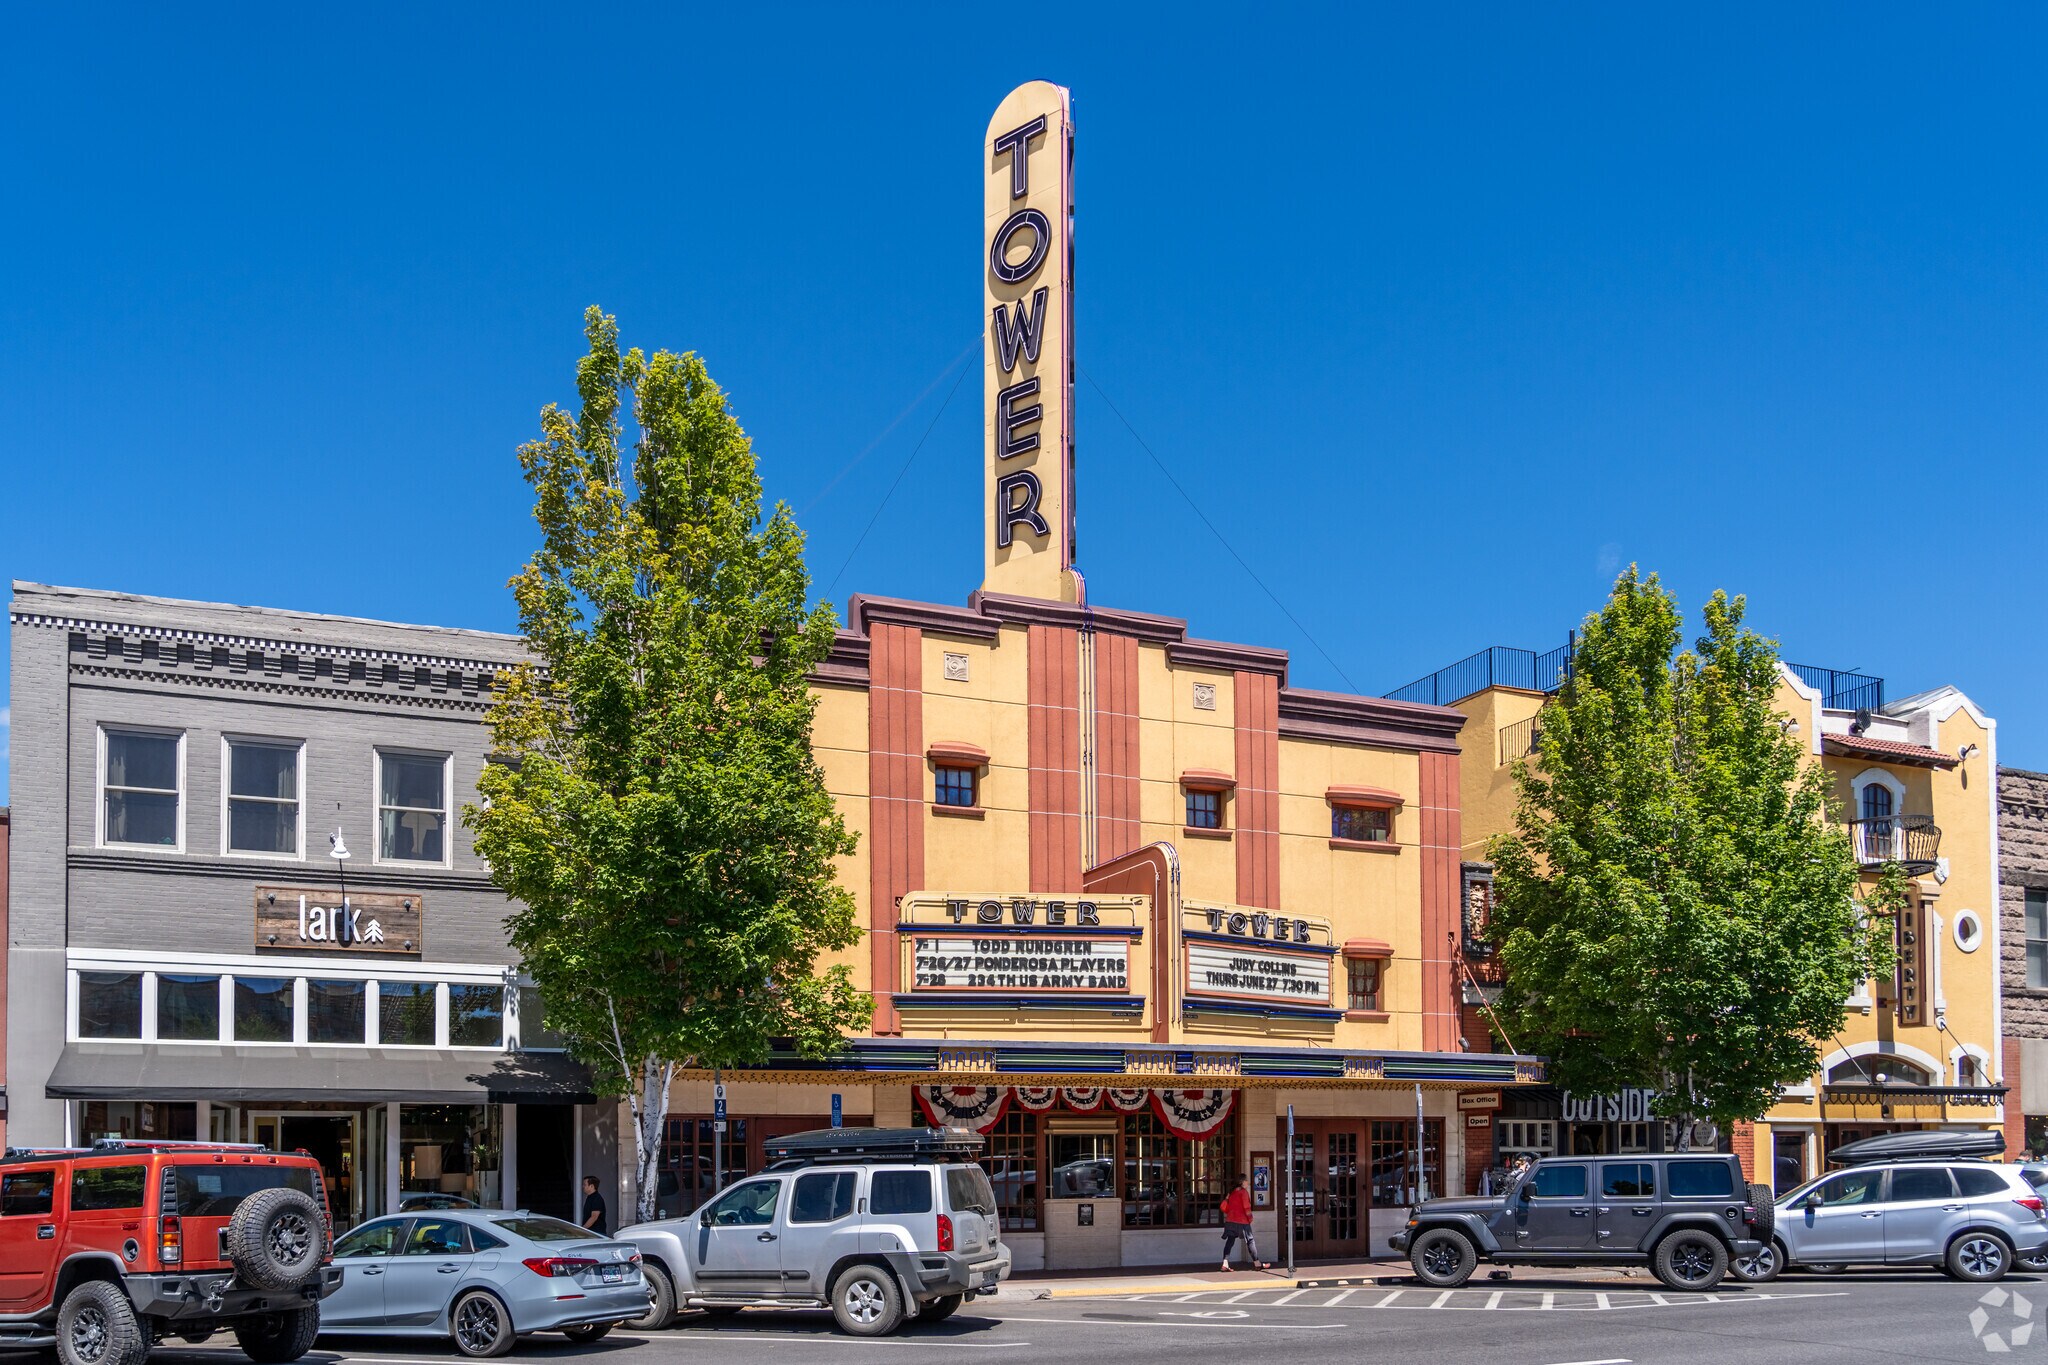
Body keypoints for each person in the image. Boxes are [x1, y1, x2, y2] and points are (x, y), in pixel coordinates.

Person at [1219, 1175, 1269, 1272]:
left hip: (1230, 1221)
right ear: (1241, 1182)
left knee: (1230, 1241)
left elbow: (1225, 1207)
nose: (1248, 1182)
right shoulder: (1243, 1192)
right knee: (1250, 1241)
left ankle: (1225, 1263)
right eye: (1246, 1180)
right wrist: (1250, 1218)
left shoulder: (1232, 1192)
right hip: (1242, 1221)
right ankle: (1257, 1263)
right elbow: (1246, 1207)